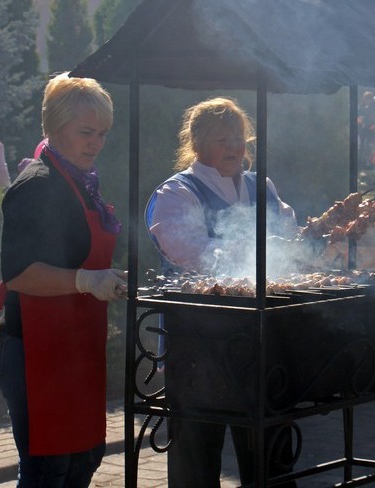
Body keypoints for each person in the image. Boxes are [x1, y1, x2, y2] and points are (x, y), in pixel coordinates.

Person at [146, 97, 298, 487]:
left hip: (260, 338)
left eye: (239, 138)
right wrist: (251, 249)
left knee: (268, 454)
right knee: (196, 457)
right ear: (197, 144)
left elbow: (288, 235)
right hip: (199, 344)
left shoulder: (259, 185)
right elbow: (190, 253)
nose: (234, 147)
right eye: (222, 139)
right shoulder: (177, 193)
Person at [0, 72, 127, 487]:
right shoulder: (36, 187)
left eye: (102, 133)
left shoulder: (83, 185)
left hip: (75, 346)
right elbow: (19, 273)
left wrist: (111, 278)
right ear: (53, 126)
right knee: (49, 471)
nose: (95, 143)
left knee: (84, 459)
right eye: (86, 132)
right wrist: (87, 281)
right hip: (34, 349)